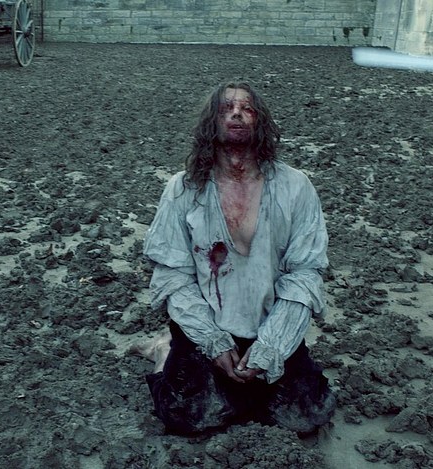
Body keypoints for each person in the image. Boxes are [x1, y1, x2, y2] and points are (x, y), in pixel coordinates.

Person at [134, 81, 336, 436]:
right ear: (211, 122)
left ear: (261, 122)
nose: (237, 114)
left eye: (247, 108)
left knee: (305, 417)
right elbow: (173, 275)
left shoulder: (295, 187)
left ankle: (257, 371)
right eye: (226, 108)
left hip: (270, 323)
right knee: (190, 416)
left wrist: (272, 345)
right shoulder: (184, 188)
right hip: (206, 327)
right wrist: (211, 340)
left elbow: (305, 273)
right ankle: (165, 351)